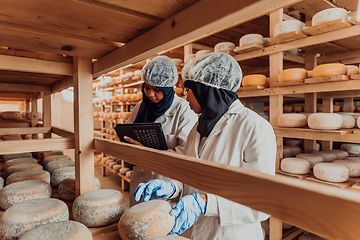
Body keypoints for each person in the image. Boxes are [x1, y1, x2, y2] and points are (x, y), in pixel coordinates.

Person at [134, 52, 276, 239]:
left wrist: (205, 202)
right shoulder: (198, 128)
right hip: (196, 231)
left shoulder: (254, 127)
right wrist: (172, 187)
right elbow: (190, 178)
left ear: (204, 90)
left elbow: (263, 202)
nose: (186, 98)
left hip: (231, 234)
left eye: (188, 91)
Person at [124, 55, 198, 207]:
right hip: (141, 176)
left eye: (156, 90)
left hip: (166, 182)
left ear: (167, 88)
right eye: (147, 88)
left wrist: (146, 151)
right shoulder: (140, 107)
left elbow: (186, 153)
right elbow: (128, 133)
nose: (150, 94)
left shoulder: (183, 111)